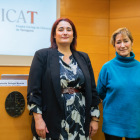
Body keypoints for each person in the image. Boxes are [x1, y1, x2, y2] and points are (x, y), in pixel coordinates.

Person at [27, 17, 100, 140]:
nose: (65, 32)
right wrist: (38, 119)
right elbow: (34, 91)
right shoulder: (42, 55)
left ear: (73, 35)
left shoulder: (83, 57)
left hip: (80, 118)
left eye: (69, 30)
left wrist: (94, 118)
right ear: (54, 35)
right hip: (51, 117)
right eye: (61, 29)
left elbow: (92, 90)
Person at [97, 27, 140, 140]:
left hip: (135, 123)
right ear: (114, 45)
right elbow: (100, 92)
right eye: (118, 42)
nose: (122, 45)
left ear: (131, 42)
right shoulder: (107, 67)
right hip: (113, 124)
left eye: (126, 41)